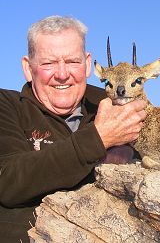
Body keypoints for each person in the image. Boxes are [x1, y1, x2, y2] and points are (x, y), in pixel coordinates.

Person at [0, 15, 147, 242]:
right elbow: (8, 182)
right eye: (48, 63)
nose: (62, 73)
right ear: (28, 68)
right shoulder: (6, 106)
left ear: (88, 64)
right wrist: (99, 139)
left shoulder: (117, 105)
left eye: (72, 62)